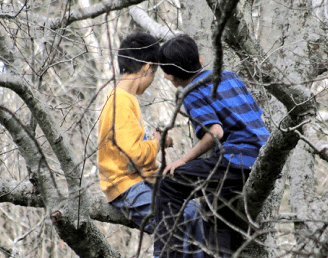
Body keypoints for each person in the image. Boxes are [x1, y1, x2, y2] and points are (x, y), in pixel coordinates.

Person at [155, 34, 270, 257]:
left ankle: (168, 253)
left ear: (170, 77)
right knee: (216, 213)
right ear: (200, 58)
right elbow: (254, 114)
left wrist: (183, 160)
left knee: (169, 183)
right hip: (262, 157)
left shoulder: (191, 91)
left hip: (237, 160)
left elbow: (214, 132)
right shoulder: (228, 76)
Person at [97, 32, 205, 257]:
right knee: (174, 219)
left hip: (142, 180)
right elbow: (135, 155)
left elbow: (130, 144)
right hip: (126, 185)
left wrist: (156, 141)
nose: (153, 79)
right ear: (147, 68)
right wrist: (156, 142)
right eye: (154, 73)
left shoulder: (127, 99)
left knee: (194, 210)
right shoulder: (120, 101)